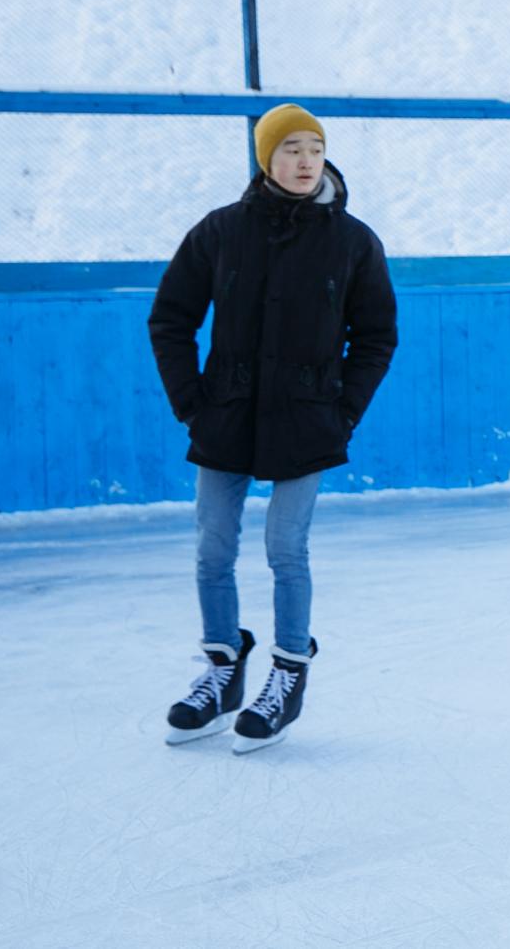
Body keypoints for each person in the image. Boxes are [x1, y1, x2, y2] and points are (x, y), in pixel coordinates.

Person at [148, 103, 397, 754]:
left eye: (314, 147)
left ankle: (287, 675)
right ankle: (223, 670)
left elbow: (376, 337)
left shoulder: (353, 241)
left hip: (307, 421)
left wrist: (342, 412)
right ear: (266, 159)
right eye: (290, 148)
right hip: (225, 414)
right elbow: (170, 317)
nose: (305, 160)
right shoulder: (222, 231)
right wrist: (191, 403)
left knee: (287, 549)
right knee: (213, 548)